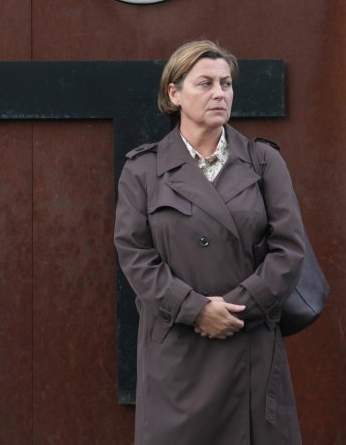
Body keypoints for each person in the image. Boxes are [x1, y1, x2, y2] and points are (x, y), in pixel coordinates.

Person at [114, 40, 307, 444]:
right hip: (177, 349)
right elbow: (135, 256)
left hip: (249, 342)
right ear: (174, 93)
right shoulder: (144, 170)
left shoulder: (263, 161)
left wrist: (236, 310)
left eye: (226, 84)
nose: (220, 93)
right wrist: (196, 310)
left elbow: (288, 251)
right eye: (205, 84)